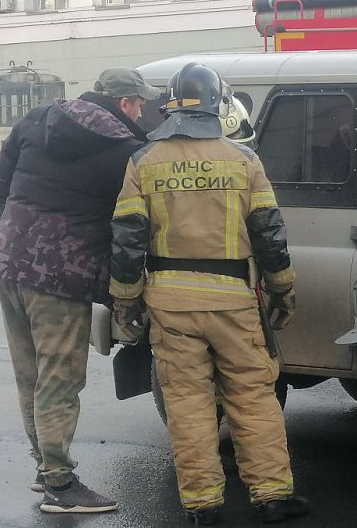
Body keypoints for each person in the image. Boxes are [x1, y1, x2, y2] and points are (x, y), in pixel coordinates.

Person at [108, 62, 307, 525]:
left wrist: (126, 300)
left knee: (187, 401)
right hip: (234, 301)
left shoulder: (142, 162)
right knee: (253, 396)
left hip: (170, 303)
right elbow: (270, 235)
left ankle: (203, 504)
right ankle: (273, 495)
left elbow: (127, 239)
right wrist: (283, 290)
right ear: (219, 105)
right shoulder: (243, 160)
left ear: (171, 106)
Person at [0, 66, 158, 513]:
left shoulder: (39, 117)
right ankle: (60, 485)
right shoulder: (127, 150)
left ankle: (45, 468)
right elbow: (129, 227)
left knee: (31, 374)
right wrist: (125, 290)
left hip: (9, 263)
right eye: (140, 102)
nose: (142, 110)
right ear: (124, 102)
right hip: (62, 276)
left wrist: (16, 230)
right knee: (59, 379)